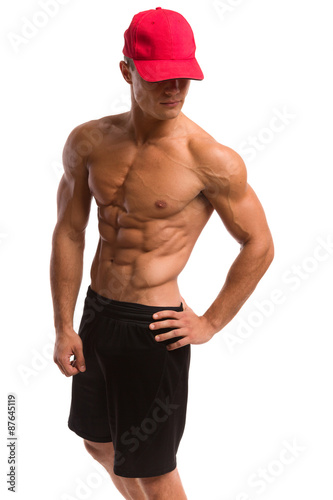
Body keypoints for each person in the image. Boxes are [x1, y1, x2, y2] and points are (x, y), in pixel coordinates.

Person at [50, 7, 274, 500]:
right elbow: (69, 232)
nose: (174, 89)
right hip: (97, 313)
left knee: (153, 469)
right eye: (159, 78)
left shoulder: (209, 159)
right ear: (127, 69)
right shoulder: (88, 141)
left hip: (154, 326)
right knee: (97, 441)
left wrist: (211, 322)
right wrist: (65, 323)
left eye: (183, 77)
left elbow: (259, 244)